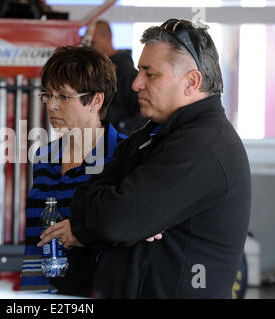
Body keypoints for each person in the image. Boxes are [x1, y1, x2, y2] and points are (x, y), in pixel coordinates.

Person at [42, 19, 251, 298]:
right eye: (140, 72)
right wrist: (125, 220)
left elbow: (113, 221)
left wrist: (109, 222)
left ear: (191, 82)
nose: (136, 84)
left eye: (150, 74)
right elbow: (85, 199)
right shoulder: (154, 135)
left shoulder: (203, 148)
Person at [19, 45, 128, 297]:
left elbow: (131, 231)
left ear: (96, 100)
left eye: (64, 97)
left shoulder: (122, 155)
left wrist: (83, 232)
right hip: (38, 293)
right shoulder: (44, 157)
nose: (52, 105)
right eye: (48, 95)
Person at [91, 20, 148, 135]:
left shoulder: (126, 72)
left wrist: (121, 129)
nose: (90, 47)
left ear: (107, 37)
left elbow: (144, 111)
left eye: (93, 43)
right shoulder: (96, 71)